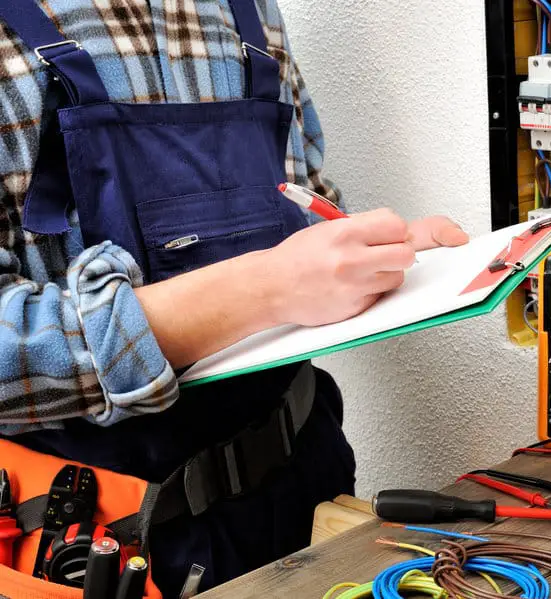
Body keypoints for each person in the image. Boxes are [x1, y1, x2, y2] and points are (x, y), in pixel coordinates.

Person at [0, 1, 468, 596]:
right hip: (105, 536)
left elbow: (299, 202)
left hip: (308, 485)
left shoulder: (247, 9)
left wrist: (376, 260)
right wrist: (264, 289)